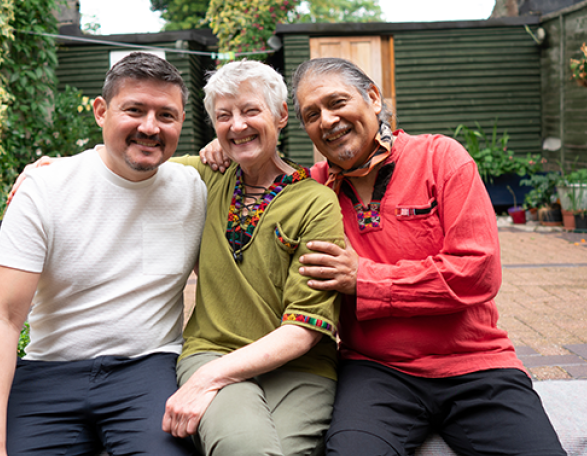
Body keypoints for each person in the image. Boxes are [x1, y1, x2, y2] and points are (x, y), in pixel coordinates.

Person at [201, 57, 565, 456]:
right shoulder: (314, 189)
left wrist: (366, 280)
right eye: (312, 114)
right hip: (374, 372)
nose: (327, 120)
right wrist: (225, 148)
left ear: (373, 98)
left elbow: (477, 271)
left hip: (476, 367)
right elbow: (263, 168)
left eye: (337, 102)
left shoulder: (441, 158)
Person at [0, 52, 207, 456]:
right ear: (101, 111)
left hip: (147, 368)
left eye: (166, 115)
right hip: (50, 371)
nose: (150, 127)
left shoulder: (195, 187)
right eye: (134, 110)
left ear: (182, 121)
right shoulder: (46, 189)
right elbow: (2, 317)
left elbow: (257, 158)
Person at [163, 60, 344, 456]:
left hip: (299, 369)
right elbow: (134, 162)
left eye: (250, 110)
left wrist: (206, 379)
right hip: (213, 348)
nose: (237, 126)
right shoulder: (205, 177)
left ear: (281, 115)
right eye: (224, 116)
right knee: (245, 448)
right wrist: (56, 169)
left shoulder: (316, 202)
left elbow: (306, 327)